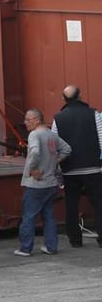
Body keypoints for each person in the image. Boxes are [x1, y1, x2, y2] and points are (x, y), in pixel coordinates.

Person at [50, 85, 102, 248]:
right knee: (99, 204)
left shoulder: (57, 119)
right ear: (80, 96)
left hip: (69, 169)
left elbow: (55, 147)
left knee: (71, 205)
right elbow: (101, 139)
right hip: (93, 168)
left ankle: (75, 239)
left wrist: (58, 170)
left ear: (63, 99)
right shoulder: (94, 114)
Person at [15, 108, 70, 257]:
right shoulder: (51, 135)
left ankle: (25, 248)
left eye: (28, 119)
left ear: (37, 120)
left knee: (28, 216)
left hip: (36, 183)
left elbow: (35, 152)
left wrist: (32, 169)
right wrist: (54, 161)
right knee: (49, 216)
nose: (25, 122)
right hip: (52, 182)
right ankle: (51, 247)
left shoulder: (34, 135)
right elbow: (66, 149)